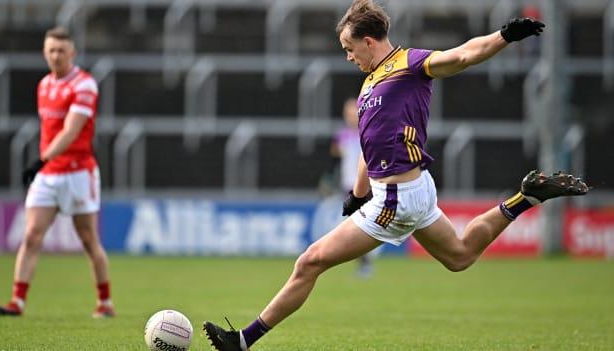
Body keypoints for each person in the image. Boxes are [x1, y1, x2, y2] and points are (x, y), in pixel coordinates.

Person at [203, 1, 588, 349]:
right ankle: (526, 197)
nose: (348, 57)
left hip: (396, 197)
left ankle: (242, 341)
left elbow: (463, 56)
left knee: (310, 262)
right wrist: (356, 194)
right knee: (460, 256)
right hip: (410, 190)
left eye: (349, 48)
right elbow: (369, 142)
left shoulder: (410, 64)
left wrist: (504, 36)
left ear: (369, 41)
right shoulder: (371, 80)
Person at [0, 27, 115, 318]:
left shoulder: (84, 85)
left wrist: (40, 160)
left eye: (62, 50)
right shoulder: (44, 85)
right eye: (51, 50)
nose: (56, 55)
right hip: (49, 173)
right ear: (44, 53)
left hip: (77, 172)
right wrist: (44, 163)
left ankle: (105, 302)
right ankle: (17, 302)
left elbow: (71, 131)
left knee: (88, 240)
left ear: (72, 53)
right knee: (32, 235)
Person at [331, 97, 381, 278]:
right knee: (352, 225)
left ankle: (365, 263)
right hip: (348, 186)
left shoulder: (367, 132)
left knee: (361, 226)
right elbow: (336, 155)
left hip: (367, 186)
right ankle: (363, 263)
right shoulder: (342, 135)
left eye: (354, 113)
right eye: (348, 113)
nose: (351, 117)